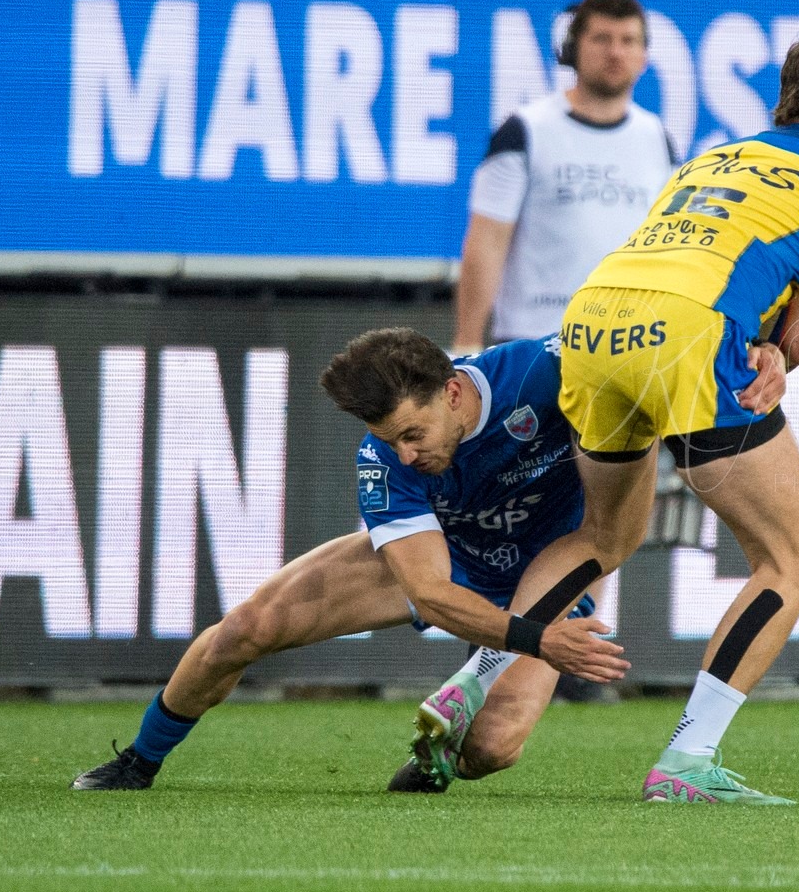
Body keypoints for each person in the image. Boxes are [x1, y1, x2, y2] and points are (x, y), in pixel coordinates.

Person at [500, 27, 799, 805]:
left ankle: (466, 686)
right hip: (687, 333)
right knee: (794, 560)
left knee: (601, 536)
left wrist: (764, 337)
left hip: (590, 320)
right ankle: (687, 760)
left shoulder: (712, 157)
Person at [70, 329, 630, 792]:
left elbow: (636, 376)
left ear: (453, 393)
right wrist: (536, 641)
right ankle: (139, 761)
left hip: (548, 570)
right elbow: (431, 594)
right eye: (391, 441)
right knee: (244, 629)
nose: (406, 454)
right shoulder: (383, 460)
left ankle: (432, 762)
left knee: (491, 748)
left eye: (414, 434)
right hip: (447, 552)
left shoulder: (545, 372)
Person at [454, 0, 674, 704]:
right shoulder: (526, 129)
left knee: (604, 510)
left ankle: (577, 657)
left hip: (622, 352)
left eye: (630, 40)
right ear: (572, 49)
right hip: (530, 351)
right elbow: (487, 239)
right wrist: (466, 339)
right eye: (603, 39)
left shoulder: (657, 138)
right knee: (515, 505)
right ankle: (487, 640)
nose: (617, 52)